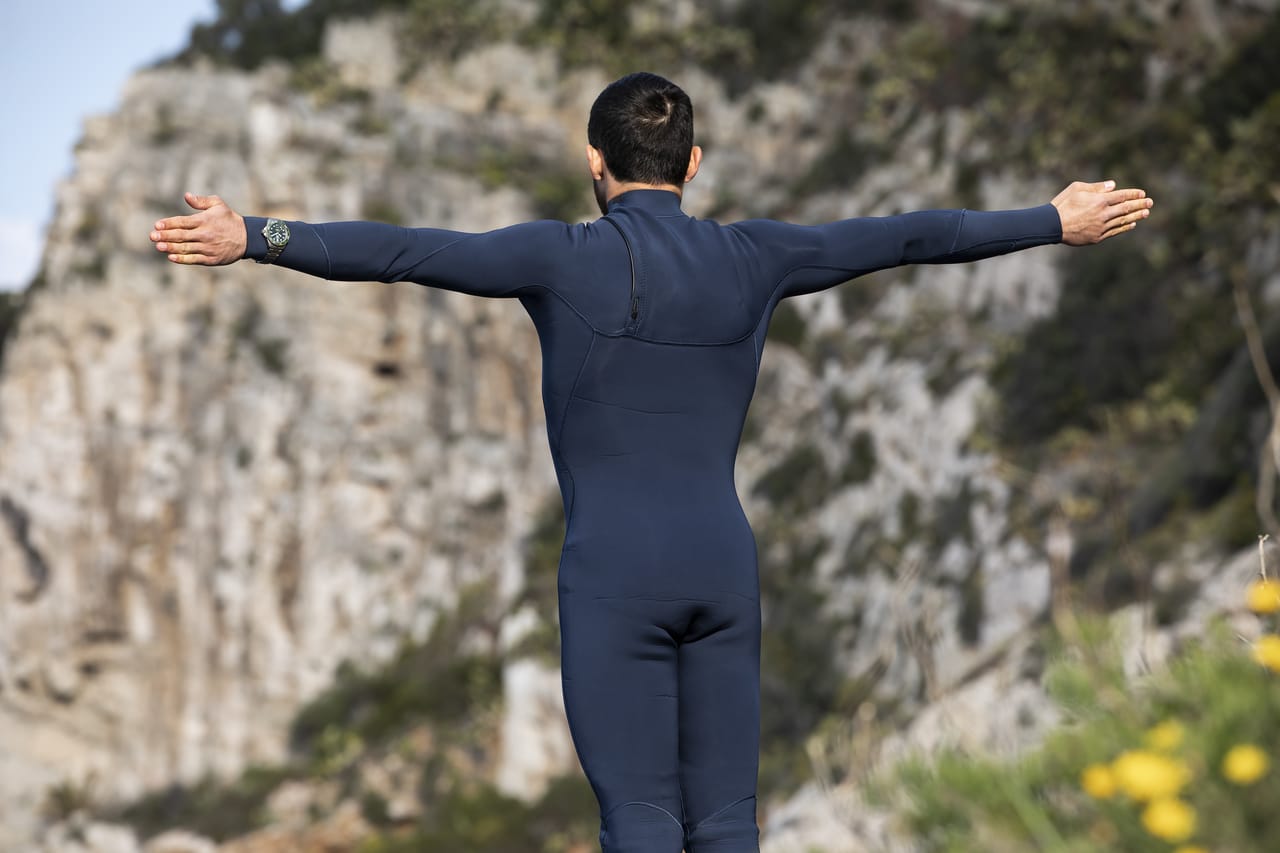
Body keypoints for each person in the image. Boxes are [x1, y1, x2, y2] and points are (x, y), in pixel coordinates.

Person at [149, 71, 1152, 853]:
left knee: (638, 819)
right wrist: (1050, 220)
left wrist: (257, 236)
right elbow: (908, 236)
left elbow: (406, 250)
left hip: (614, 573)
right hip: (722, 566)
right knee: (727, 824)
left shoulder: (557, 257)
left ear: (594, 160)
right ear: (694, 161)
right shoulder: (758, 256)